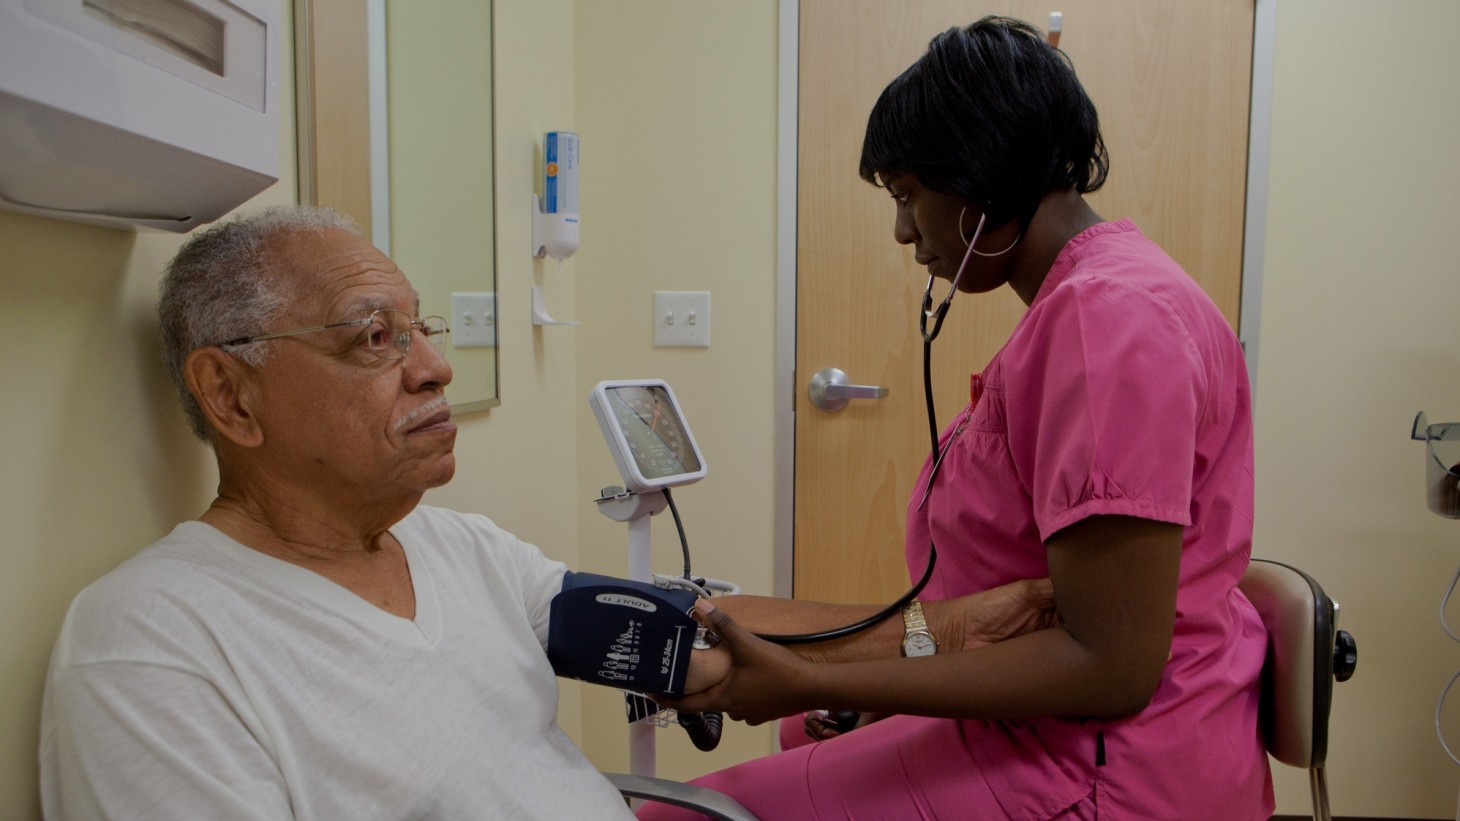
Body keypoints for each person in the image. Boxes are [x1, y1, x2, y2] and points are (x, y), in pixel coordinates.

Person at [37, 204, 1058, 820]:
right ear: (230, 396)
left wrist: (952, 627)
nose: (433, 366)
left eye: (422, 329)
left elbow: (692, 643)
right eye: (373, 339)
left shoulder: (453, 548)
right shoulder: (155, 644)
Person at [646, 16, 1271, 820]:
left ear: (979, 183)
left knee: (679, 813)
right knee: (808, 731)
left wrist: (819, 674)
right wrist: (856, 689)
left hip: (1101, 766)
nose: (904, 231)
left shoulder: (1106, 320)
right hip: (1070, 727)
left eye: (908, 196)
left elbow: (1110, 662)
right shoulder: (1096, 299)